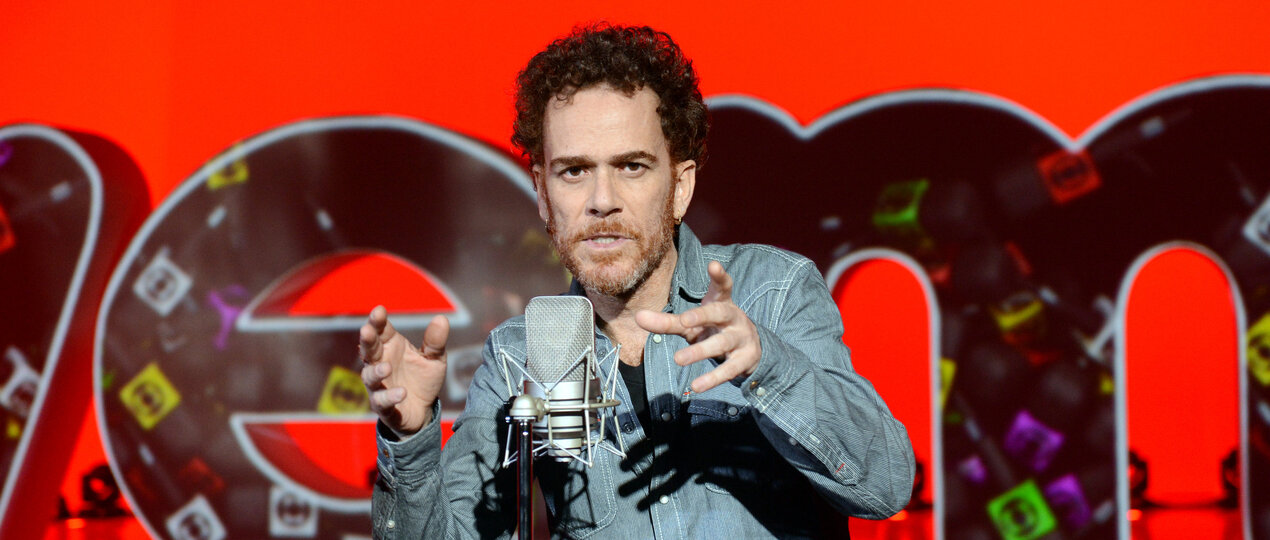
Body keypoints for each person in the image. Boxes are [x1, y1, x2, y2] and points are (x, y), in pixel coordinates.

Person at [360, 23, 915, 539]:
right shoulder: (522, 354)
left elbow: (886, 487)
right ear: (543, 193)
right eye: (574, 171)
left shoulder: (773, 292)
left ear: (679, 187)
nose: (602, 201)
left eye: (631, 166)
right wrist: (410, 439)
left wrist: (766, 364)